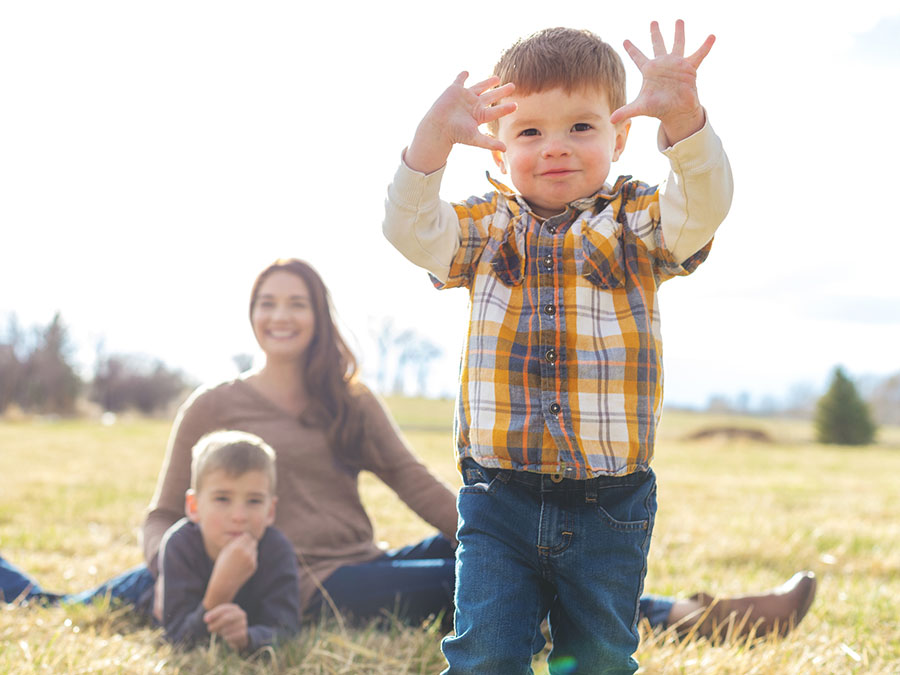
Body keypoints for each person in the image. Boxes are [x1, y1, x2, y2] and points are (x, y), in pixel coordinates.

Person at [1, 259, 815, 644]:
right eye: (267, 304)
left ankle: (687, 607)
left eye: (296, 303)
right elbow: (158, 513)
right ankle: (683, 616)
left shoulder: (346, 400)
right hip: (295, 577)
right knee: (60, 604)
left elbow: (418, 483)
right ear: (252, 316)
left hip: (358, 559)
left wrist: (503, 531)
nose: (281, 316)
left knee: (492, 555)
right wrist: (172, 571)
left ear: (318, 315)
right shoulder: (212, 406)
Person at [382, 20, 736, 673]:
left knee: (599, 655)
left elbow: (704, 207)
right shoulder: (484, 228)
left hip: (611, 503)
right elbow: (409, 229)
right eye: (529, 131)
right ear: (496, 150)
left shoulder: (638, 223)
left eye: (580, 127)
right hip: (498, 496)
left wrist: (685, 124)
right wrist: (428, 146)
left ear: (619, 135)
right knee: (485, 650)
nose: (555, 148)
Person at [154, 429, 300, 651]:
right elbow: (179, 640)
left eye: (254, 501)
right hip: (154, 581)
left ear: (270, 511)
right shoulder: (179, 545)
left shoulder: (278, 551)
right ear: (194, 506)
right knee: (133, 588)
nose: (239, 516)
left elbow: (286, 629)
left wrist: (249, 638)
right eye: (222, 499)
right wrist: (218, 594)